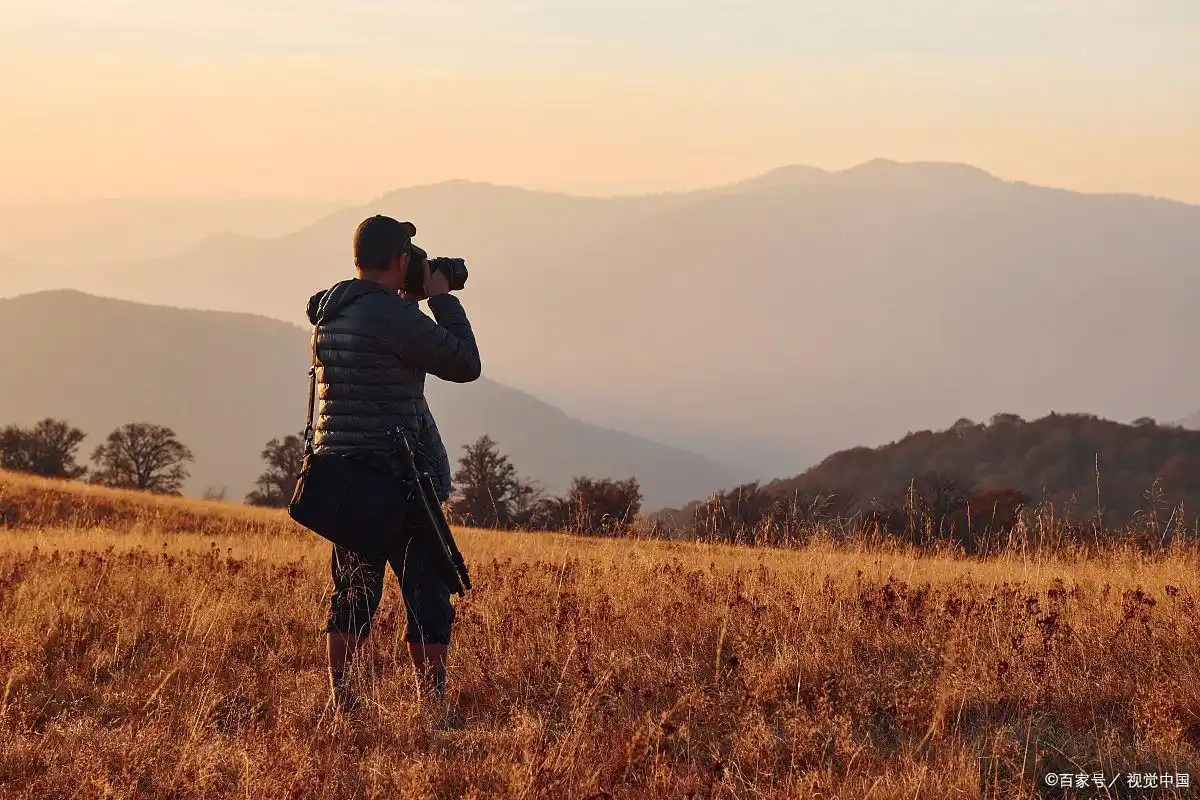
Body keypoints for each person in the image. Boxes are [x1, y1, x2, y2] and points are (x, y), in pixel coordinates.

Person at [304, 214, 481, 714]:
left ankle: (345, 704)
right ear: (402, 261)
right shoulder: (395, 320)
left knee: (352, 594)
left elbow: (377, 348)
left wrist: (405, 302)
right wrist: (442, 297)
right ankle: (432, 706)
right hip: (399, 477)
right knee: (428, 591)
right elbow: (465, 363)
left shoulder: (332, 310)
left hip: (343, 477)